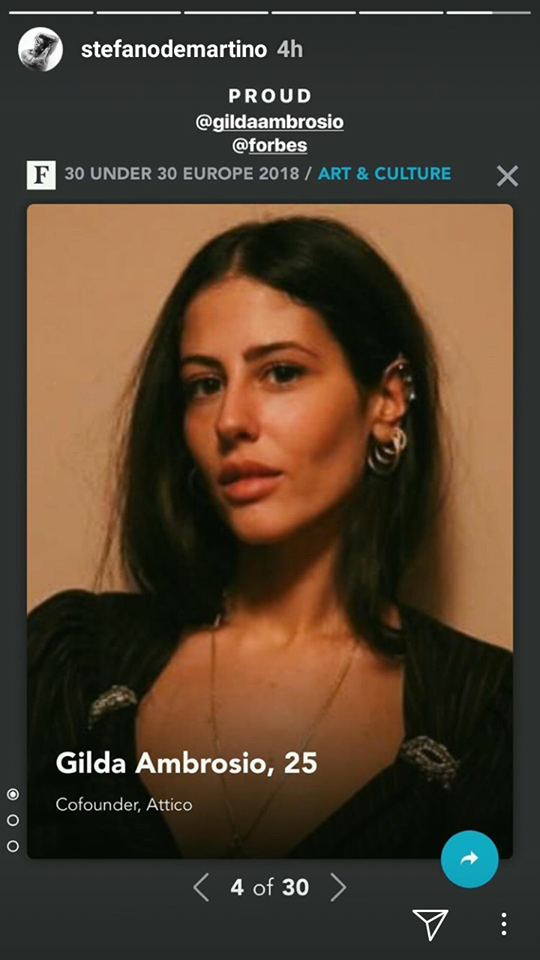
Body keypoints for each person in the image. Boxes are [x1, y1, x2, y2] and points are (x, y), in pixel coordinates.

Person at [28, 216, 511, 859]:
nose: (230, 420)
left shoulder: (487, 715)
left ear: (387, 399)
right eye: (205, 385)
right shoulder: (73, 660)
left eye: (280, 372)